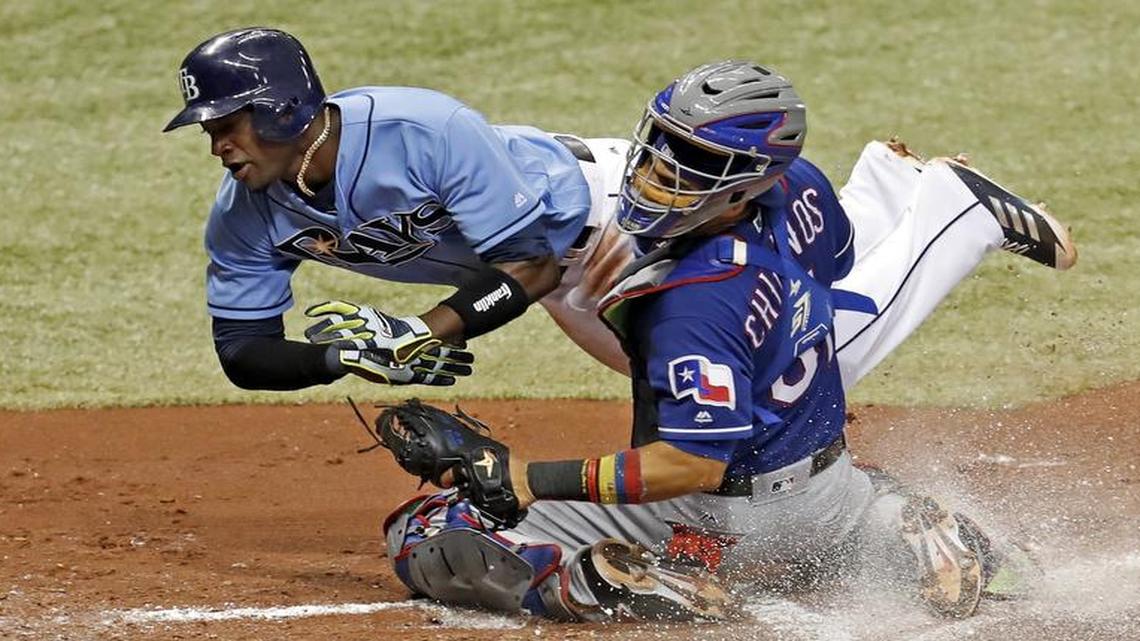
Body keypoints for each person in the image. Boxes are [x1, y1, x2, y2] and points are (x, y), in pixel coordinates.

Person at [379, 60, 1049, 622]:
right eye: (663, 145)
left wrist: (528, 477)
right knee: (851, 493)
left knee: (426, 530)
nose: (659, 171)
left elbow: (688, 466)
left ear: (749, 180)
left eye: (698, 162)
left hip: (714, 514)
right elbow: (839, 263)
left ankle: (599, 583)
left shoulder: (691, 305)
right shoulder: (805, 189)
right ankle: (896, 530)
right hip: (829, 490)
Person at [163, 28, 1076, 394]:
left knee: (806, 357)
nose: (218, 143)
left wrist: (422, 328)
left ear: (283, 108)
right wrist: (346, 355)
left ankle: (955, 211)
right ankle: (885, 187)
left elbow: (526, 261)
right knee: (795, 306)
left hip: (614, 216)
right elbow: (243, 352)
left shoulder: (419, 129)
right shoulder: (246, 214)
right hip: (568, 271)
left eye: (228, 122)